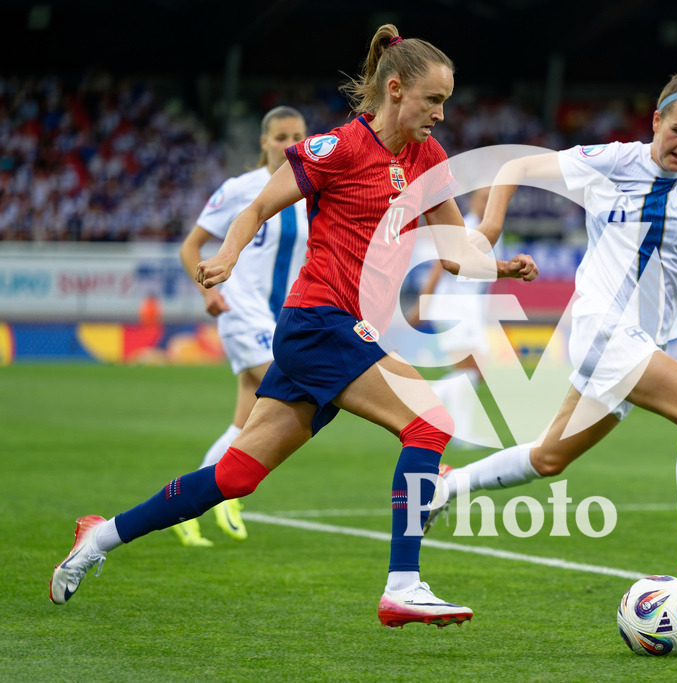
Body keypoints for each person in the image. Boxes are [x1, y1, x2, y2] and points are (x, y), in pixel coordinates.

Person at [48, 24, 538, 629]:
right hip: (317, 321)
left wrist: (500, 257)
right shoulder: (338, 148)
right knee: (431, 421)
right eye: (433, 100)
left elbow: (455, 252)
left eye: (446, 101)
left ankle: (99, 537)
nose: (442, 113)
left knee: (235, 476)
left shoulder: (428, 159)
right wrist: (226, 258)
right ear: (394, 90)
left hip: (340, 331)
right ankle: (404, 585)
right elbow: (256, 207)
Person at [426, 73, 677, 591]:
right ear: (657, 121)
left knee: (549, 457)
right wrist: (488, 228)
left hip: (641, 339)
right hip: (604, 326)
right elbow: (514, 166)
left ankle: (445, 487)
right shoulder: (614, 161)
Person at [170, 106, 309, 547]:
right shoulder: (241, 189)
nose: (290, 145)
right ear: (264, 142)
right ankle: (219, 492)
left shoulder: (312, 190)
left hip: (280, 319)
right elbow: (191, 247)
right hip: (241, 314)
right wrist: (208, 291)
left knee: (246, 424)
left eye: (298, 136)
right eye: (281, 136)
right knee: (290, 392)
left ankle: (187, 501)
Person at [412, 187, 501, 447]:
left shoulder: (492, 229)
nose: (488, 204)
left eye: (492, 199)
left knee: (473, 374)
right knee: (473, 370)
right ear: (474, 201)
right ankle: (424, 402)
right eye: (484, 198)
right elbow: (441, 263)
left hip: (470, 308)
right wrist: (425, 301)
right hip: (454, 306)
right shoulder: (469, 227)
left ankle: (460, 430)